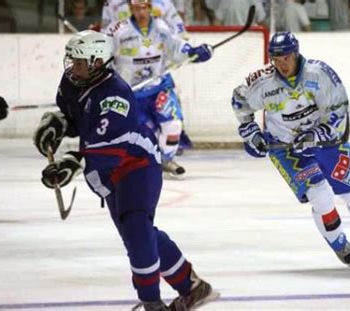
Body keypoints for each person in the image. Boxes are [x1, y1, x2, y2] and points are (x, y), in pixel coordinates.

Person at [32, 30, 218, 310]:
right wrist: (56, 126)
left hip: (136, 165)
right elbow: (77, 117)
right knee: (140, 233)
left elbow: (108, 146)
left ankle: (151, 303)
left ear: (97, 62)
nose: (72, 66)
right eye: (71, 60)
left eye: (79, 61)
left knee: (137, 233)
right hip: (106, 172)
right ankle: (192, 286)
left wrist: (73, 160)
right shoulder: (73, 81)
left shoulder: (115, 94)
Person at [231, 32, 350, 269]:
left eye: (286, 57)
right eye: (276, 58)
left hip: (327, 142)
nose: (282, 64)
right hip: (287, 150)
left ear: (296, 53)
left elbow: (339, 113)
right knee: (321, 197)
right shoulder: (261, 82)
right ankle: (339, 243)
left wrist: (315, 136)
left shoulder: (320, 74)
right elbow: (240, 102)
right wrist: (251, 133)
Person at [105, 0, 212, 179]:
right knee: (142, 136)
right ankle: (144, 161)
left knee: (174, 125)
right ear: (130, 8)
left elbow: (178, 49)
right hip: (130, 94)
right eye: (137, 8)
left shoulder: (162, 27)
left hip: (159, 88)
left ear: (150, 8)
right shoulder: (116, 30)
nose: (141, 12)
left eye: (144, 7)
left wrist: (196, 52)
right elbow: (103, 56)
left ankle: (166, 159)